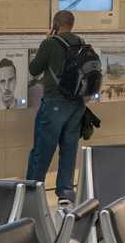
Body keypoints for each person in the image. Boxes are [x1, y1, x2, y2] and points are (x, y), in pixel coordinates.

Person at [25, 10, 90, 205]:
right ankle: (65, 192)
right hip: (77, 105)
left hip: (55, 103)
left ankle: (32, 193)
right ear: (72, 24)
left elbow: (34, 69)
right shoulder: (81, 43)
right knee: (69, 148)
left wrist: (45, 42)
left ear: (55, 25)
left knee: (42, 150)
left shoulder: (49, 44)